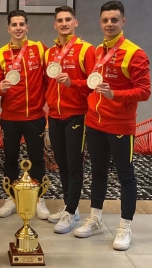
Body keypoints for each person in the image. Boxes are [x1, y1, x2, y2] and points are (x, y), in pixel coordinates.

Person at [73, 1, 151, 251]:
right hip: (94, 123)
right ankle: (95, 218)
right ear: (100, 22)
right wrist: (72, 83)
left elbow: (145, 91)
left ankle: (124, 227)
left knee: (125, 176)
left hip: (120, 125)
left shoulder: (134, 53)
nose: (109, 24)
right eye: (105, 20)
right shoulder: (97, 50)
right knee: (97, 173)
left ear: (123, 22)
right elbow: (91, 83)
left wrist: (115, 95)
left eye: (114, 20)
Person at [0, 10, 50, 219]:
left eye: (21, 24)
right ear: (8, 28)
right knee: (9, 159)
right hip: (10, 117)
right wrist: (1, 88)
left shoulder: (39, 49)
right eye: (14, 25)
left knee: (37, 159)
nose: (18, 28)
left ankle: (39, 198)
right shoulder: (0, 54)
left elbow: (48, 78)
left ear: (27, 27)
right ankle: (11, 198)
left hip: (34, 116)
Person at [44, 6, 95, 233]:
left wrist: (72, 84)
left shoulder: (86, 50)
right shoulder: (49, 53)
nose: (63, 23)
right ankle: (68, 207)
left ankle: (72, 211)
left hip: (77, 114)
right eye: (59, 20)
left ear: (76, 22)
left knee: (74, 166)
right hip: (54, 115)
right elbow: (46, 84)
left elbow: (95, 84)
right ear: (55, 25)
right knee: (61, 164)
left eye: (68, 19)